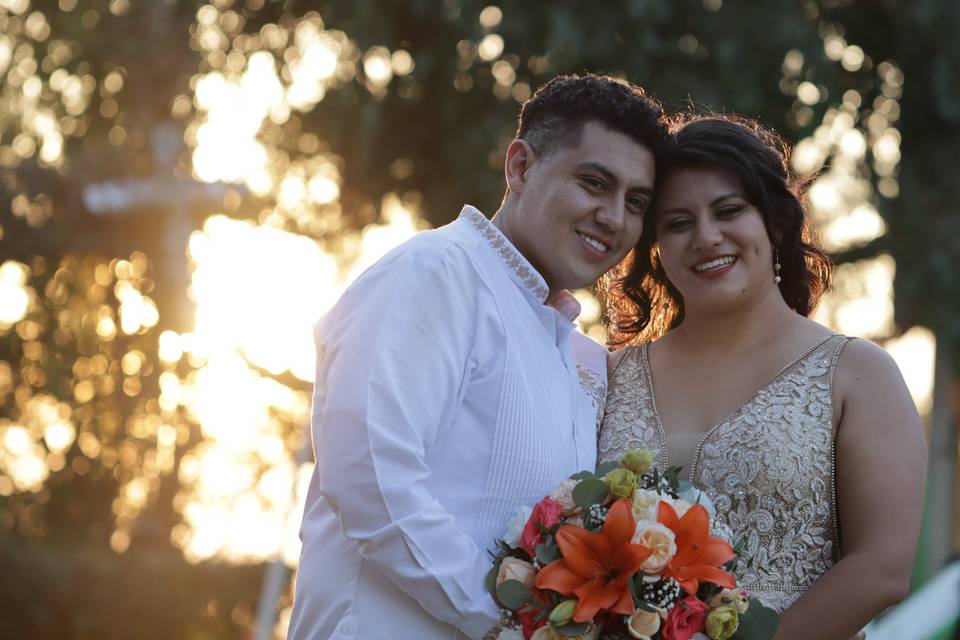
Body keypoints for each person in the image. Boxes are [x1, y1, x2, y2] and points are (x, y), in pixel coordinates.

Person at [287, 74, 670, 640]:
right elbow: (371, 477)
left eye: (635, 202)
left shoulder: (577, 354)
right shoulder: (435, 273)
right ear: (519, 168)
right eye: (594, 183)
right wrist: (513, 620)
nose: (615, 218)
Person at [598, 115, 926, 639]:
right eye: (678, 223)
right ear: (656, 245)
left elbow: (882, 570)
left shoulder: (856, 374)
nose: (706, 237)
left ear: (774, 222)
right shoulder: (609, 375)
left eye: (729, 211)